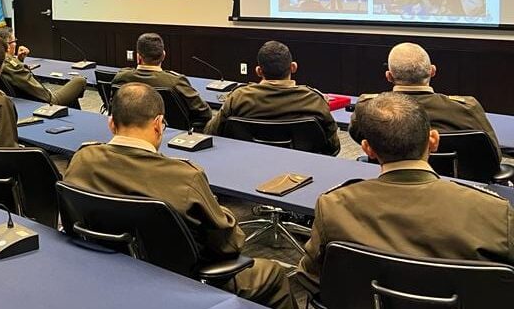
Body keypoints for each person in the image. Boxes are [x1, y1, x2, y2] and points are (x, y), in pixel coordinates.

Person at [64, 83, 296, 309]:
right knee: (273, 274)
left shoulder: (82, 160)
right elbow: (228, 244)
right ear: (157, 125)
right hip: (181, 282)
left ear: (111, 124)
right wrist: (220, 210)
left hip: (104, 271)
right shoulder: (184, 176)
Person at [297, 92, 514, 294]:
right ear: (434, 141)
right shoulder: (496, 212)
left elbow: (311, 277)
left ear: (367, 149)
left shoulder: (333, 206)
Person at [349, 42, 501, 159]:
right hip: (460, 183)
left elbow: (359, 137)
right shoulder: (466, 108)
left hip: (388, 180)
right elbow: (494, 154)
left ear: (389, 76)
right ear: (432, 71)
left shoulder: (367, 107)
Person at [204, 41, 340, 155]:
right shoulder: (314, 100)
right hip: (302, 173)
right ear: (293, 67)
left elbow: (211, 132)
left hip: (245, 162)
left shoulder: (238, 98)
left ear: (258, 71)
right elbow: (333, 147)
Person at [112, 33, 212, 127]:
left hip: (129, 129)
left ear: (138, 57)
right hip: (173, 132)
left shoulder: (121, 78)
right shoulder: (175, 82)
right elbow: (205, 113)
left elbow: (113, 107)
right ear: (163, 56)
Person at [0, 26, 86, 108]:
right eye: (14, 40)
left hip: (23, 98)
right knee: (80, 80)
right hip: (45, 101)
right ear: (7, 45)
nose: (16, 43)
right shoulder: (11, 64)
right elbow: (28, 82)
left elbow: (15, 79)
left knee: (71, 96)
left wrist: (19, 59)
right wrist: (18, 63)